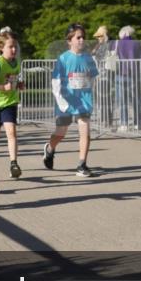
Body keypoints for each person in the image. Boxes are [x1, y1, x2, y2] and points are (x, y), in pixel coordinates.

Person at [43, 23, 100, 177]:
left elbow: (93, 77)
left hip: (84, 101)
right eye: (78, 37)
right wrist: (61, 102)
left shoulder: (88, 57)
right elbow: (55, 82)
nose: (81, 40)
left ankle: (82, 164)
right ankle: (50, 149)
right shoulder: (63, 58)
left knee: (85, 133)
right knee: (60, 133)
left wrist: (90, 90)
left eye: (83, 37)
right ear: (69, 40)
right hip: (66, 102)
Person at [0, 30, 24, 182]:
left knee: (11, 132)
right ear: (2, 48)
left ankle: (14, 164)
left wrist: (19, 84)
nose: (14, 50)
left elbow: (13, 80)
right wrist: (2, 88)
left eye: (15, 46)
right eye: (10, 47)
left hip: (10, 102)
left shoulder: (16, 63)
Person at [115, 26, 141, 131]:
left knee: (122, 100)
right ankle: (139, 123)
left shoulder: (117, 43)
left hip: (120, 74)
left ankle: (124, 124)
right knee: (137, 99)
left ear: (122, 34)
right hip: (134, 75)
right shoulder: (137, 43)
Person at [91, 26, 116, 128]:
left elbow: (100, 57)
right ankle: (105, 119)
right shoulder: (101, 45)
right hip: (100, 75)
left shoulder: (109, 45)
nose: (98, 38)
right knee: (102, 98)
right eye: (98, 36)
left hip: (105, 75)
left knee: (105, 98)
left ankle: (106, 120)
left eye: (100, 36)